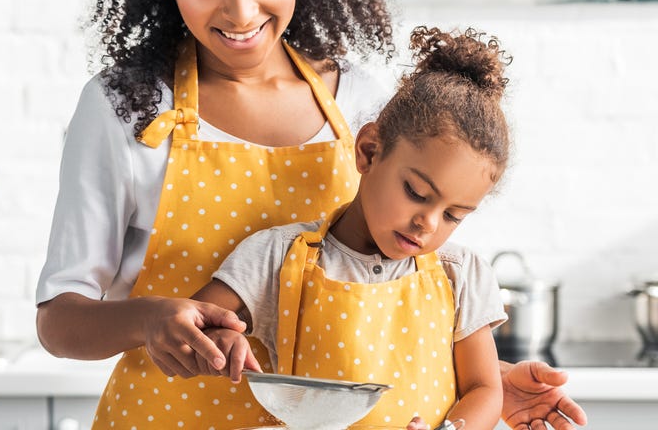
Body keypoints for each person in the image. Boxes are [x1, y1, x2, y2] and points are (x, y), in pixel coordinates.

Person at [34, 0, 588, 429]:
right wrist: (146, 320)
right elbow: (60, 321)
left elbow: (393, 299)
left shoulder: (360, 104)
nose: (241, 11)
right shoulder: (126, 109)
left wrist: (485, 388)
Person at [192, 26, 510, 430]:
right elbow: (194, 324)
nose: (428, 224)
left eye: (454, 216)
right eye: (416, 191)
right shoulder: (278, 256)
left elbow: (485, 388)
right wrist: (219, 341)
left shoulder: (459, 274)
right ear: (369, 151)